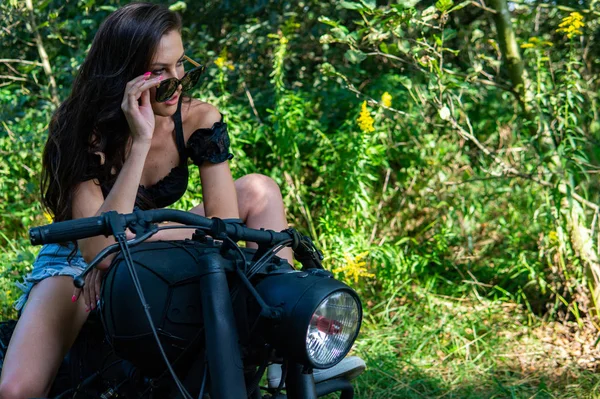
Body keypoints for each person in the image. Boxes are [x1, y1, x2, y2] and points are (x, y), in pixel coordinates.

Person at [0, 3, 292, 398]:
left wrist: (147, 234)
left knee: (260, 189)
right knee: (17, 389)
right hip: (74, 255)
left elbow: (224, 222)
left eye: (181, 66)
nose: (178, 83)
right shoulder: (82, 128)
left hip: (152, 237)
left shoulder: (199, 119)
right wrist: (139, 141)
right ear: (124, 74)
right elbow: (98, 252)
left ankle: (287, 335)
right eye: (159, 72)